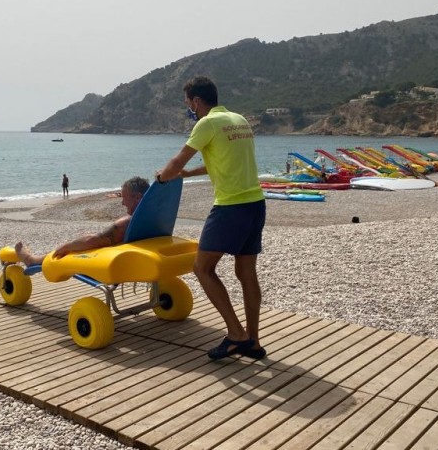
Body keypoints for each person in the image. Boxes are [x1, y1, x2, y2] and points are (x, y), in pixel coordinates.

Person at [156, 76, 266, 361]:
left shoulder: (205, 124)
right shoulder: (239, 120)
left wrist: (161, 178)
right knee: (246, 273)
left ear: (195, 101)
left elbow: (177, 161)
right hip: (255, 203)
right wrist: (190, 175)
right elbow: (224, 159)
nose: (189, 109)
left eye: (188, 103)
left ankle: (235, 334)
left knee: (202, 268)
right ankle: (252, 340)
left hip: (230, 206)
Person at [15, 177, 149, 266]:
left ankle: (32, 260)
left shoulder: (126, 223)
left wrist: (66, 246)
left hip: (116, 261)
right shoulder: (153, 216)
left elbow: (93, 241)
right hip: (141, 254)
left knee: (71, 248)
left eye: (124, 198)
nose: (122, 203)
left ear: (137, 197)